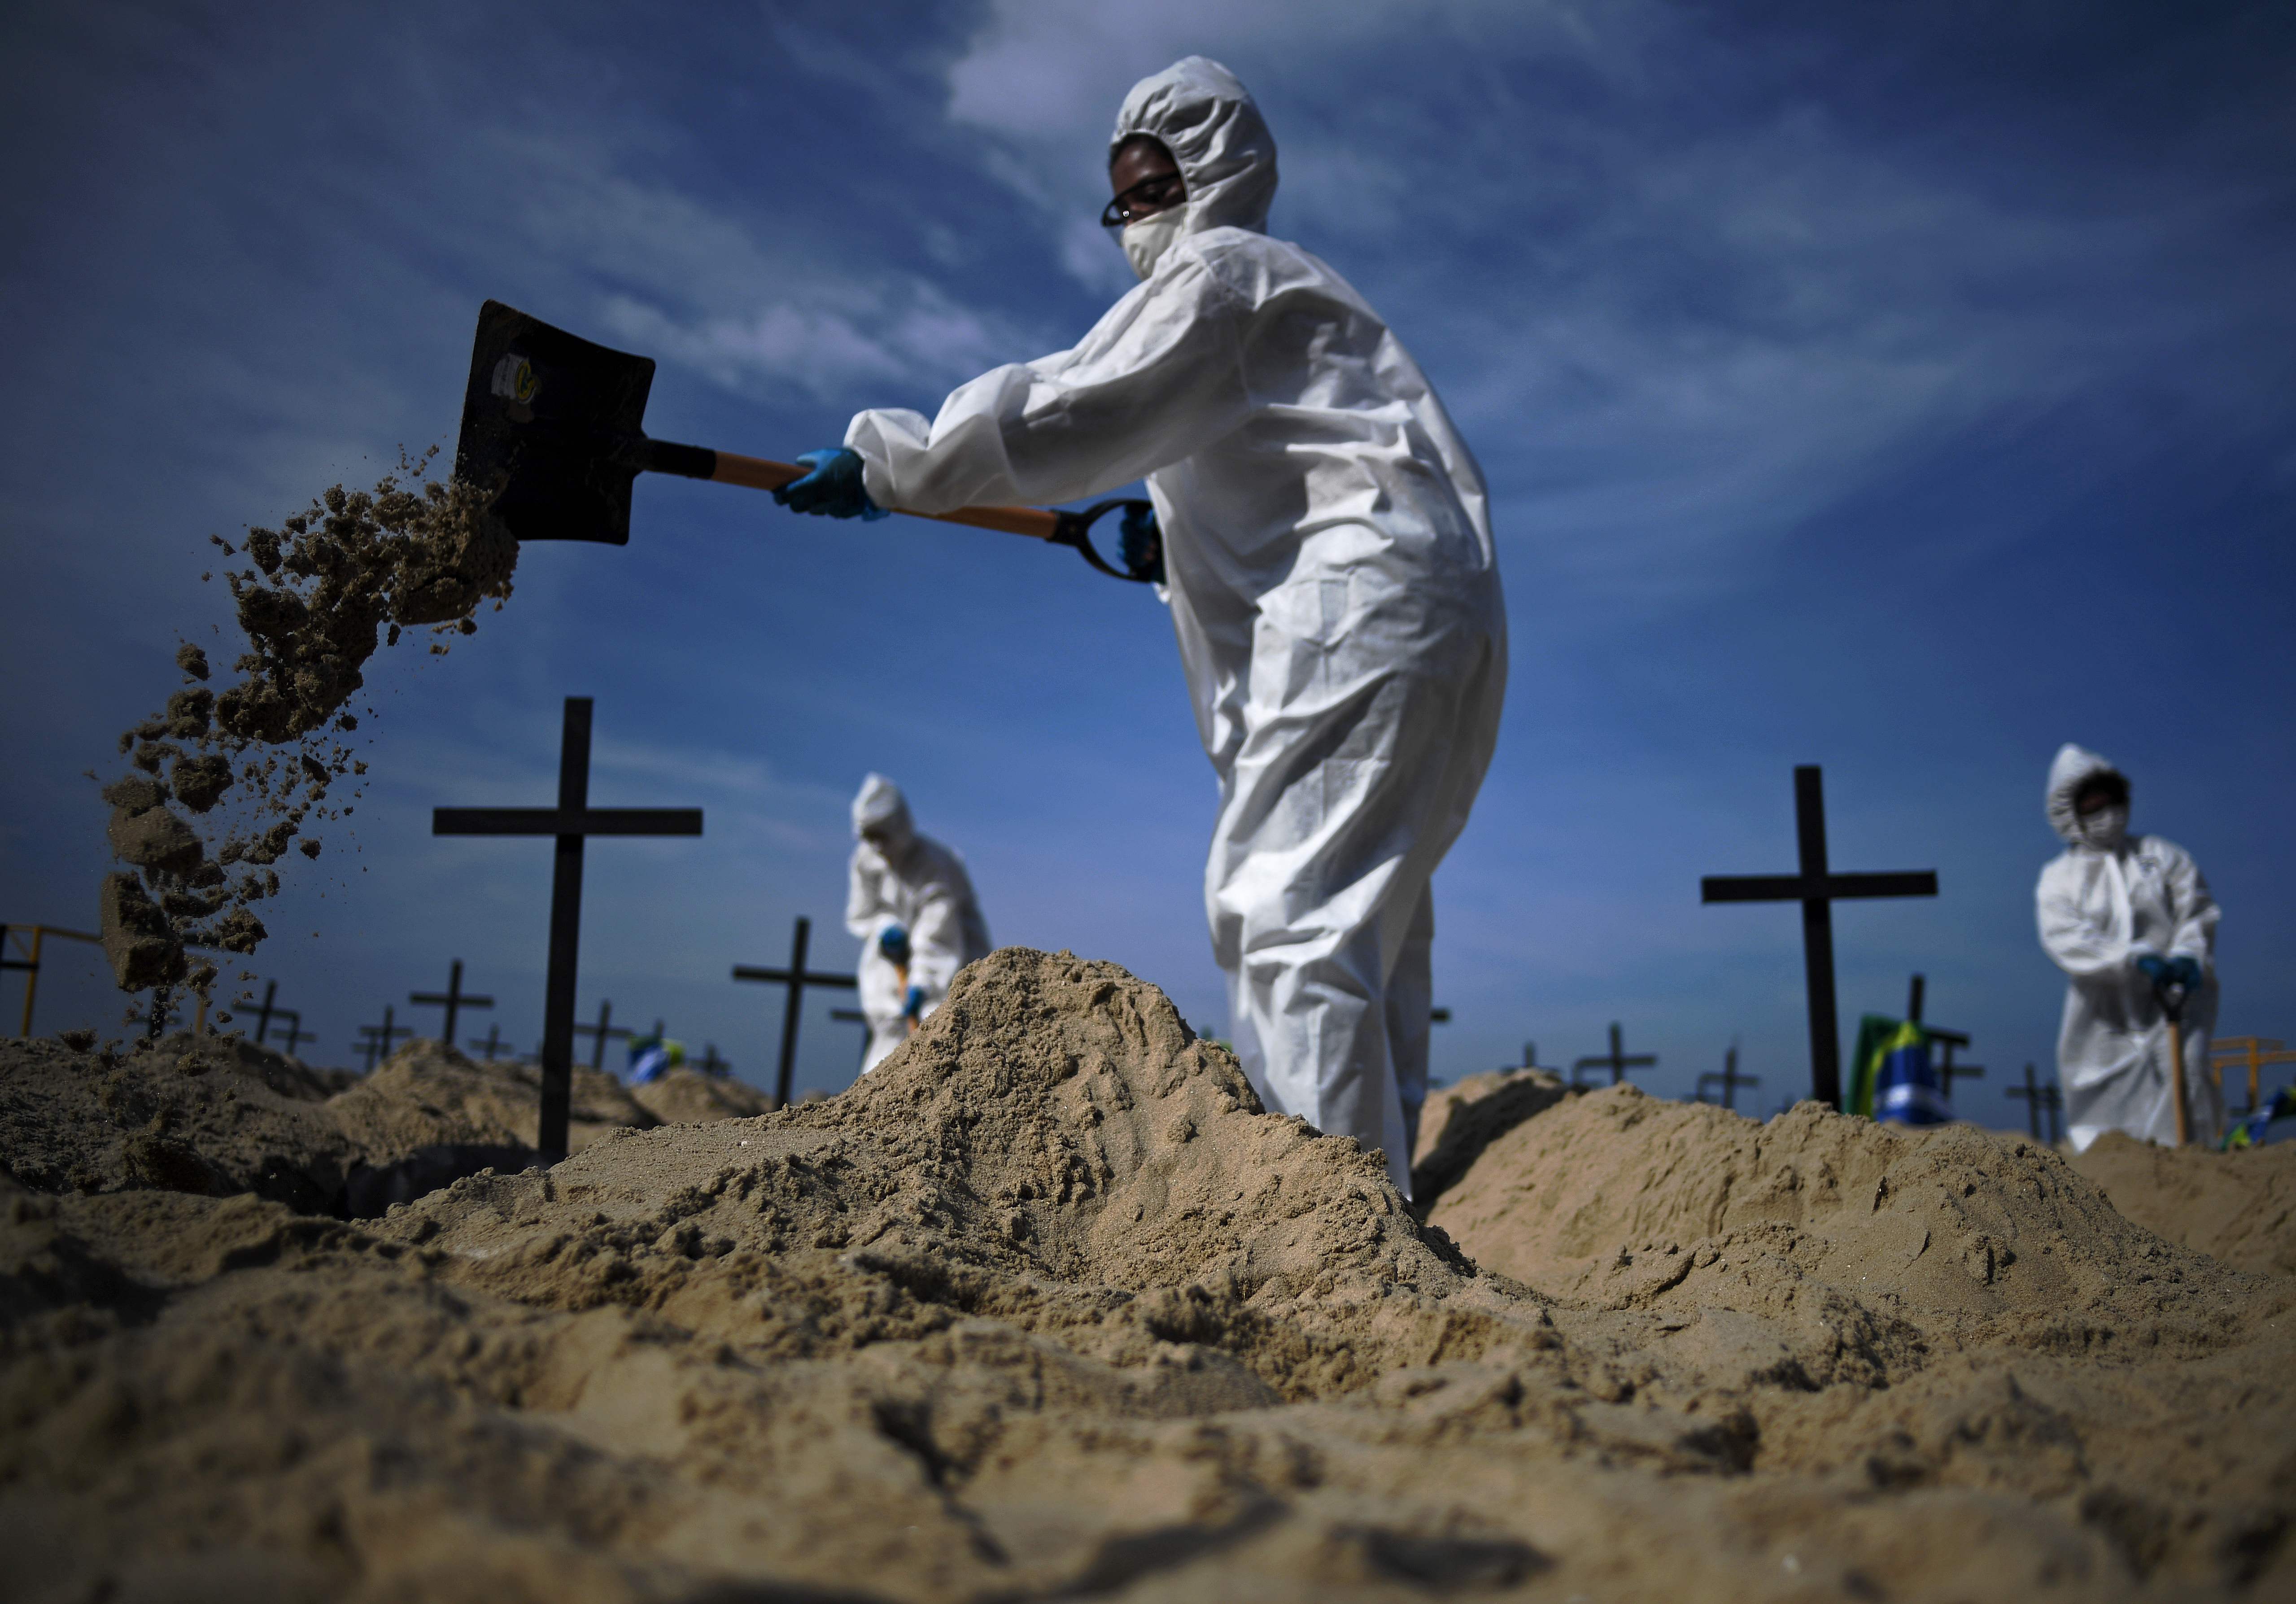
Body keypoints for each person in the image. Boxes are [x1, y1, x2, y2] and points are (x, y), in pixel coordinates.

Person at [777, 59, 1504, 1197]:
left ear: (1216, 170)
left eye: (1156, 181)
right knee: (1370, 921)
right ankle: (1381, 1197)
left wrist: (893, 465)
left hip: (1364, 608)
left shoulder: (1221, 277)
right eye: (1121, 195)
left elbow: (1075, 400)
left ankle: (1331, 1216)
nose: (1138, 213)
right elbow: (1278, 466)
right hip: (1429, 613)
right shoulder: (1282, 307)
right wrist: (1172, 550)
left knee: (1287, 915)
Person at [2036, 743, 2222, 1151]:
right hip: (2102, 1020)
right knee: (2103, 1111)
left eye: (2112, 802)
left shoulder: (2162, 857)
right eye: (2094, 806)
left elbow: (2197, 912)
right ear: (2072, 812)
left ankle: (2195, 1169)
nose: (2108, 815)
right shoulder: (2060, 878)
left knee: (2185, 1079)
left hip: (2174, 1003)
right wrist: (2130, 958)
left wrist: (2188, 955)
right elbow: (2065, 937)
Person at [845, 774, 993, 1072]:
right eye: (869, 837)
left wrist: (922, 983)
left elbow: (937, 935)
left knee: (941, 1025)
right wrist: (885, 926)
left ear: (898, 827)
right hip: (894, 960)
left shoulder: (935, 864)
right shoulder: (866, 861)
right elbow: (862, 913)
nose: (877, 845)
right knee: (889, 1027)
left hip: (950, 960)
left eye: (882, 836)